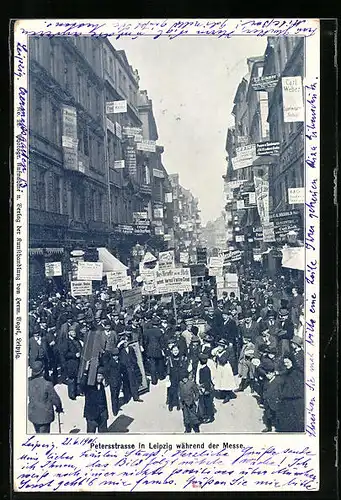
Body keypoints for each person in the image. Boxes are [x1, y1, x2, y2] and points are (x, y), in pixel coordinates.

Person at [28, 361, 63, 434]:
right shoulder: (47, 384)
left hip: (33, 414)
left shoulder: (29, 383)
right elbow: (55, 398)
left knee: (38, 433)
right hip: (45, 415)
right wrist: (59, 407)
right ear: (42, 371)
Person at [276, 356, 304, 432]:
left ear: (292, 362)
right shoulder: (287, 371)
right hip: (287, 398)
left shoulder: (296, 372)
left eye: (287, 362)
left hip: (295, 398)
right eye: (284, 363)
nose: (286, 364)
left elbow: (297, 387)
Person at [80, 363, 109, 433]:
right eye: (98, 376)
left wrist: (106, 414)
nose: (100, 378)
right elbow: (82, 384)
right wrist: (86, 371)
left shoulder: (102, 385)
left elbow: (104, 401)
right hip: (91, 416)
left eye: (101, 376)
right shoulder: (89, 386)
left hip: (102, 415)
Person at [118, 335, 143, 404]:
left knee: (133, 383)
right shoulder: (120, 350)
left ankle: (136, 397)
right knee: (126, 384)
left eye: (126, 341)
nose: (125, 343)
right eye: (124, 342)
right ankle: (126, 398)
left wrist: (134, 363)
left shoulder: (131, 348)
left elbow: (134, 357)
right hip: (124, 369)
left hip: (131, 368)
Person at [210, 339, 237, 403]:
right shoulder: (218, 351)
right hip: (220, 368)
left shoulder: (226, 352)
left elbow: (223, 361)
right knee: (221, 381)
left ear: (224, 347)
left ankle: (227, 395)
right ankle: (223, 393)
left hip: (225, 368)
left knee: (226, 381)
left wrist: (217, 356)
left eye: (221, 346)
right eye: (219, 346)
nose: (219, 347)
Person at [59, 329, 82, 400]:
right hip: (71, 363)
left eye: (74, 332)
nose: (74, 333)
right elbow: (65, 353)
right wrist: (74, 355)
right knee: (71, 378)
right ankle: (71, 395)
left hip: (77, 362)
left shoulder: (76, 340)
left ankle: (77, 391)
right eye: (72, 332)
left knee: (77, 377)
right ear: (69, 333)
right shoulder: (66, 342)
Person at [144, 317, 166, 385]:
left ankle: (154, 380)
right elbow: (162, 342)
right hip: (158, 349)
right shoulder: (160, 331)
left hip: (150, 350)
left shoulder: (147, 331)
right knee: (160, 364)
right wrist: (163, 349)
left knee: (152, 365)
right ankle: (161, 376)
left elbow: (146, 342)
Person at [101, 348, 122, 416]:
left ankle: (116, 406)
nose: (116, 357)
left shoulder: (119, 362)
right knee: (114, 396)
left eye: (117, 355)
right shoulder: (110, 363)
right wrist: (108, 380)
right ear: (112, 356)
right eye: (114, 356)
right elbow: (106, 372)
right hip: (113, 382)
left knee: (117, 395)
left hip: (118, 381)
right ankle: (114, 410)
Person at [165, 345, 186, 412]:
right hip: (172, 376)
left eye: (176, 350)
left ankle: (178, 404)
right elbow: (168, 367)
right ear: (171, 351)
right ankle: (170, 404)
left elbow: (183, 367)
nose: (175, 352)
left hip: (179, 376)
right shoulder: (170, 358)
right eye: (174, 350)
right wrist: (168, 375)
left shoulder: (181, 358)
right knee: (171, 391)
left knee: (179, 391)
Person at [196, 354, 215, 423]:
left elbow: (207, 381)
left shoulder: (205, 370)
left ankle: (209, 417)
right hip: (204, 388)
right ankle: (205, 416)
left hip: (205, 389)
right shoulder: (205, 368)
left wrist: (202, 388)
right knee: (205, 402)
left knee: (206, 403)